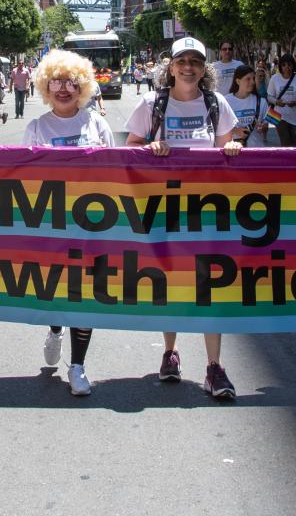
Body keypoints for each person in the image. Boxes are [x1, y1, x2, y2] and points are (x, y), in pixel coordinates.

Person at [125, 36, 242, 400]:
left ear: (204, 68)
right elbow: (128, 151)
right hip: (164, 211)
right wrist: (149, 148)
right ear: (170, 67)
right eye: (181, 61)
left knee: (210, 284)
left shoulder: (216, 103)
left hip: (209, 212)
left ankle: (214, 367)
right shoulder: (152, 102)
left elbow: (227, 146)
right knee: (168, 282)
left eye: (195, 61)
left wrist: (234, 147)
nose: (188, 67)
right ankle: (170, 353)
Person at [24, 50, 115, 396]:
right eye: (56, 82)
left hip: (92, 226)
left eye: (72, 82)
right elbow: (20, 180)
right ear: (46, 86)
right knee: (54, 290)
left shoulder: (97, 124)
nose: (64, 89)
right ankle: (55, 328)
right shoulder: (36, 128)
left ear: (84, 86)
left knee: (85, 295)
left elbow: (116, 174)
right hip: (50, 226)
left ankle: (77, 366)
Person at [267, 53, 296, 147]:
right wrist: (277, 102)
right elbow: (269, 96)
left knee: (295, 144)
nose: (287, 67)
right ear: (280, 66)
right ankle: (285, 161)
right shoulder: (275, 78)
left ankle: (295, 161)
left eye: (289, 65)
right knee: (285, 143)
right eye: (284, 65)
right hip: (279, 116)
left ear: (293, 65)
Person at [224, 64, 268, 146]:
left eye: (253, 78)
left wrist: (263, 127)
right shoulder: (225, 101)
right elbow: (219, 127)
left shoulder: (262, 102)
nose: (252, 82)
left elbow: (265, 127)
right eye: (248, 79)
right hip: (233, 150)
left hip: (256, 151)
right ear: (238, 81)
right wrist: (235, 130)